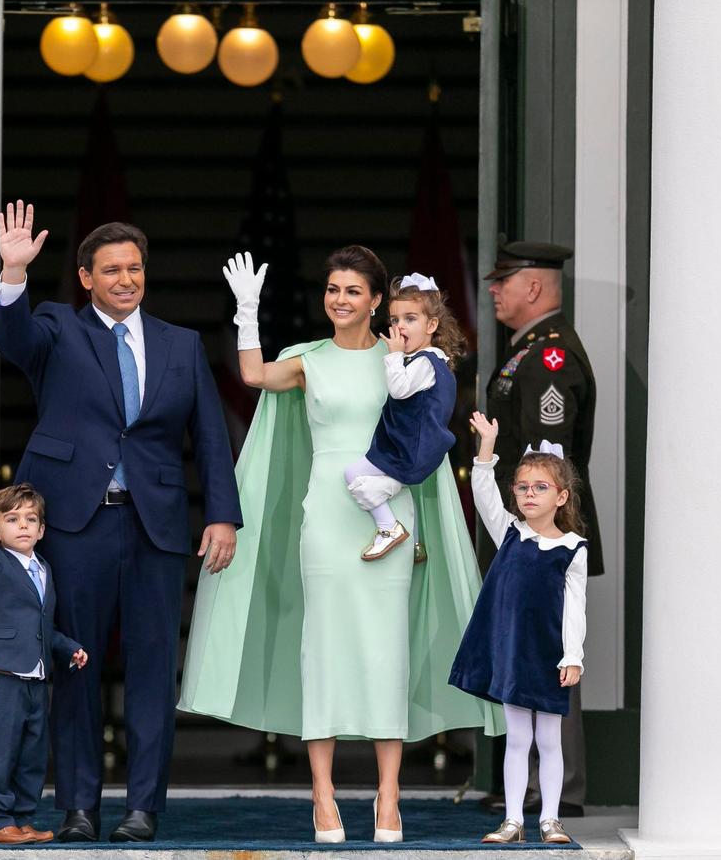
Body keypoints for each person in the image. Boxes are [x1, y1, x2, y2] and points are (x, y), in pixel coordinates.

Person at [180, 249, 502, 844]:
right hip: (326, 519)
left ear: (378, 301)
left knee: (387, 653)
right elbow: (252, 376)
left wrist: (428, 526)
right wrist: (246, 311)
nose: (340, 300)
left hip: (391, 516)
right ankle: (322, 797)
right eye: (333, 289)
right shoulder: (307, 359)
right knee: (321, 652)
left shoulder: (405, 357)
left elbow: (425, 441)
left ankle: (388, 797)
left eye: (354, 291)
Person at [0, 201, 242, 843]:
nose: (125, 280)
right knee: (76, 665)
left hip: (154, 526)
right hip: (77, 527)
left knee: (154, 667)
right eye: (111, 270)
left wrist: (222, 516)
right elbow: (12, 337)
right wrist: (13, 276)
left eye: (134, 269)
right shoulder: (55, 328)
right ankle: (78, 805)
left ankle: (142, 807)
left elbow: (210, 437)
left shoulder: (180, 344)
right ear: (85, 278)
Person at [484, 237, 602, 816]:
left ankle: (561, 788)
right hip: (526, 533)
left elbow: (547, 454)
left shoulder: (551, 355)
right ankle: (527, 783)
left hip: (544, 534)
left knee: (554, 651)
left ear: (533, 287)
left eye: (503, 280)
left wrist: (533, 527)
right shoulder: (528, 350)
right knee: (523, 647)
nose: (493, 290)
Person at [449, 414, 587, 845]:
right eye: (523, 487)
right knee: (516, 739)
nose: (530, 494)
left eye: (541, 487)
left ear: (561, 496)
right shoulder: (510, 533)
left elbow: (575, 609)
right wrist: (486, 447)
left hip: (548, 656)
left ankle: (550, 818)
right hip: (511, 653)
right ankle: (512, 819)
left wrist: (573, 655)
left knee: (548, 739)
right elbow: (483, 493)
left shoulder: (572, 549)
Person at [0, 485, 88, 845]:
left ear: (42, 530)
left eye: (31, 519)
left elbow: (45, 625)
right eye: (12, 519)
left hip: (38, 677)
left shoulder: (43, 568)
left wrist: (68, 648)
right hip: (7, 675)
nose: (24, 526)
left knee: (31, 753)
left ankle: (22, 819)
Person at [343, 272, 466, 562]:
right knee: (387, 487)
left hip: (410, 450)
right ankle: (416, 542)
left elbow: (398, 390)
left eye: (410, 319)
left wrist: (393, 356)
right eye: (395, 320)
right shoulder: (432, 361)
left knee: (353, 475)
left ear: (432, 325)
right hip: (413, 446)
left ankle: (389, 528)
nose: (399, 327)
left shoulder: (424, 362)